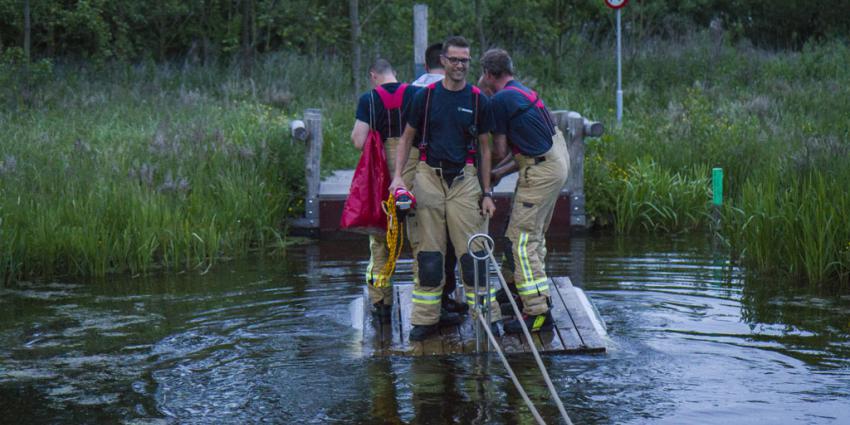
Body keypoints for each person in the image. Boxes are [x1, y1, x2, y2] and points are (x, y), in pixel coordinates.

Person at [390, 36, 501, 341]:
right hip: (428, 176)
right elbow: (406, 138)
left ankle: (487, 318)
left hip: (465, 180)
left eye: (465, 60)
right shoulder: (424, 98)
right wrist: (398, 177)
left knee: (473, 254)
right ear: (443, 61)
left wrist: (487, 192)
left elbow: (485, 148)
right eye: (454, 59)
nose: (459, 65)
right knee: (429, 255)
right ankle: (426, 318)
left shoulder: (478, 99)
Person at [479, 48, 570, 334]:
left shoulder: (500, 100)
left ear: (489, 75)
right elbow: (521, 155)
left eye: (482, 75)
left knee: (521, 240)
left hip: (541, 169)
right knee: (524, 232)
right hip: (552, 161)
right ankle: (512, 292)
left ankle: (538, 311)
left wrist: (483, 178)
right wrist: (496, 175)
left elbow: (500, 150)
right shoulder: (520, 91)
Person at [350, 58, 419, 322]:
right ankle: (427, 308)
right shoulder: (415, 93)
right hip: (413, 165)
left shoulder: (368, 99)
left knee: (381, 239)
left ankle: (381, 305)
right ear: (395, 74)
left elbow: (358, 140)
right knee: (421, 236)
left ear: (373, 76)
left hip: (383, 170)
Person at [412, 43, 467, 316]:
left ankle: (428, 311)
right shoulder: (464, 94)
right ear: (444, 62)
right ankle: (448, 299)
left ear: (425, 65)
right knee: (458, 244)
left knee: (427, 246)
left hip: (421, 175)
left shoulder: (414, 91)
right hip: (458, 176)